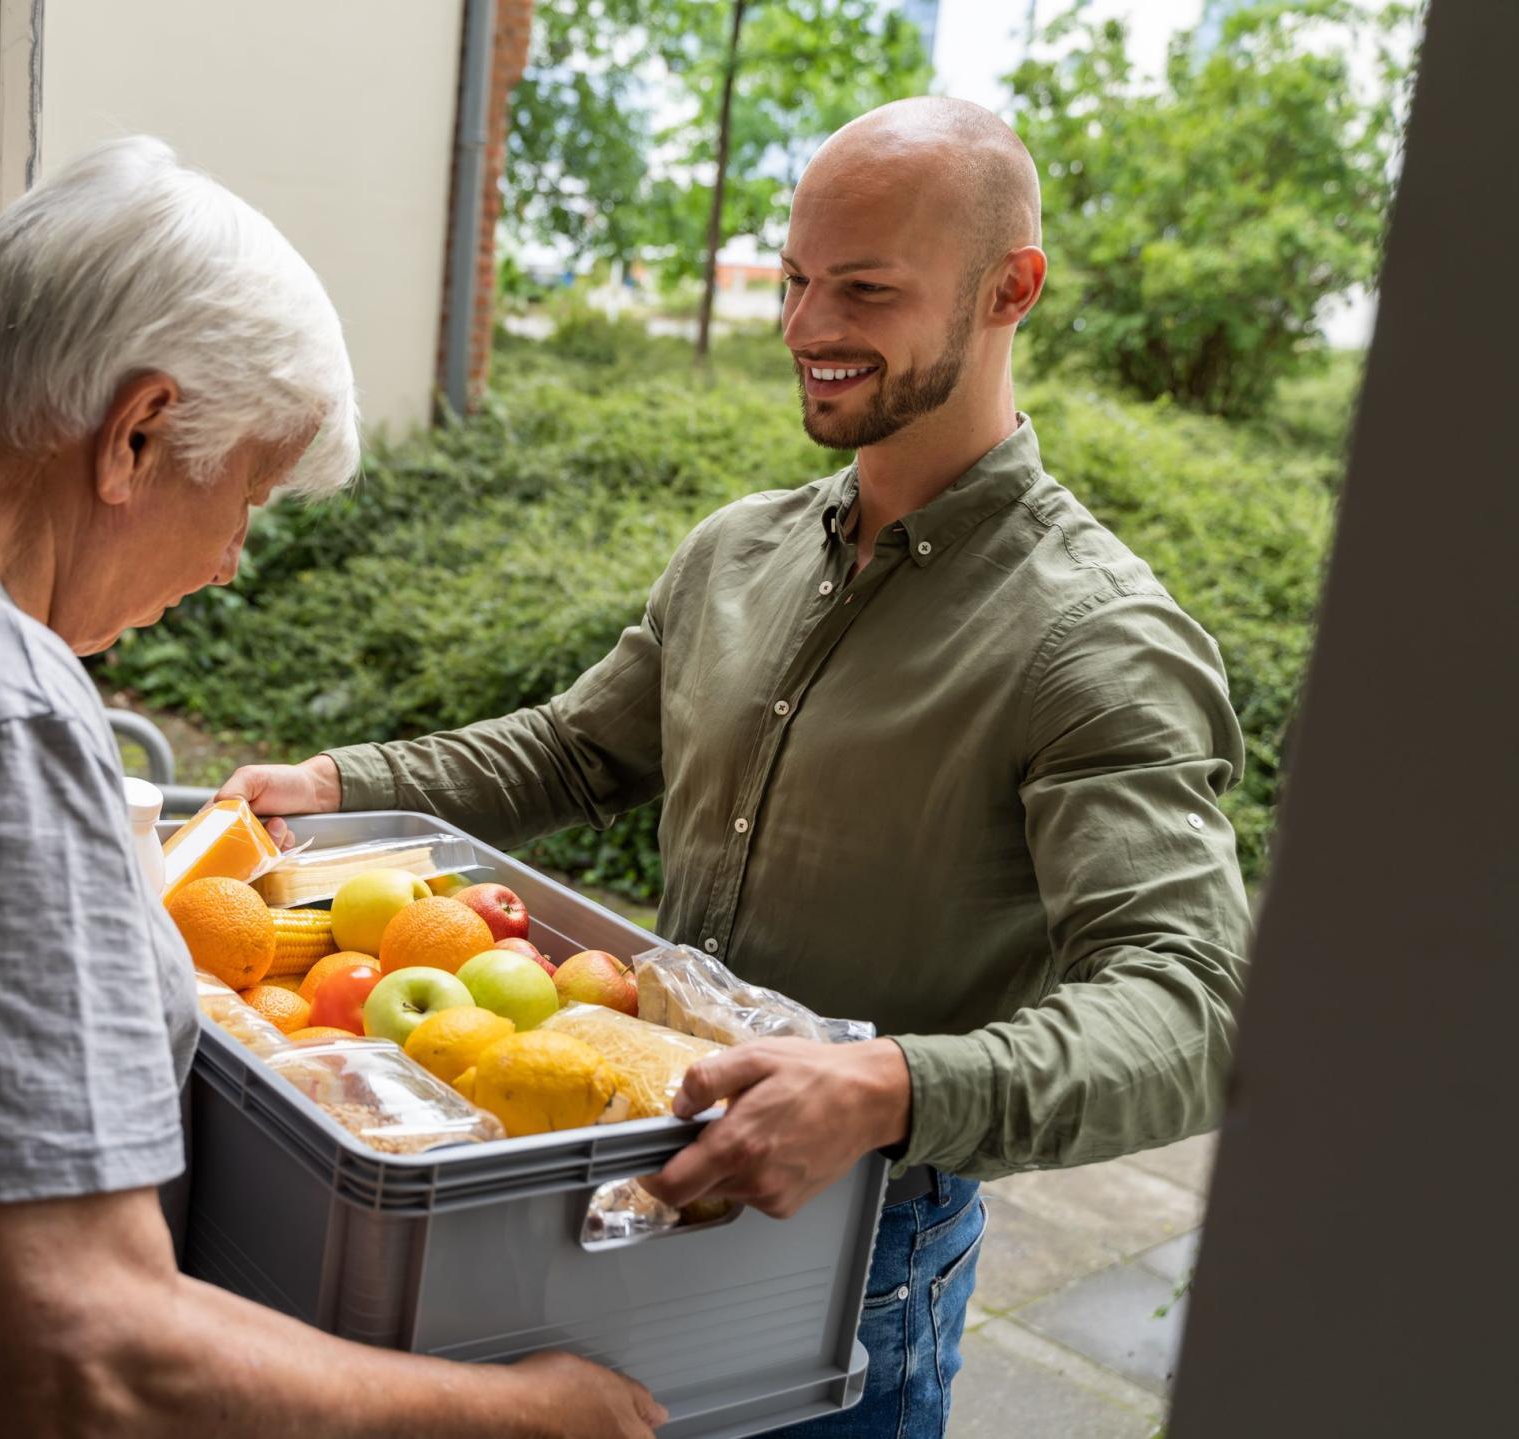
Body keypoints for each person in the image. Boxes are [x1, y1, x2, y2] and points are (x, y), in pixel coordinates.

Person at [0, 136, 662, 1438]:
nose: (234, 561)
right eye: (247, 491)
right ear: (136, 434)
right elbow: (79, 1361)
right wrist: (525, 1417)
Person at [222, 97, 1250, 1438]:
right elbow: (576, 751)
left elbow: (1194, 1011)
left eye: (865, 289)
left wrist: (892, 1086)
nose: (807, 328)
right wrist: (338, 786)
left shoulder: (1095, 641)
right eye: (799, 278)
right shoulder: (736, 553)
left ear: (1013, 288)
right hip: (616, 1174)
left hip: (859, 1260)